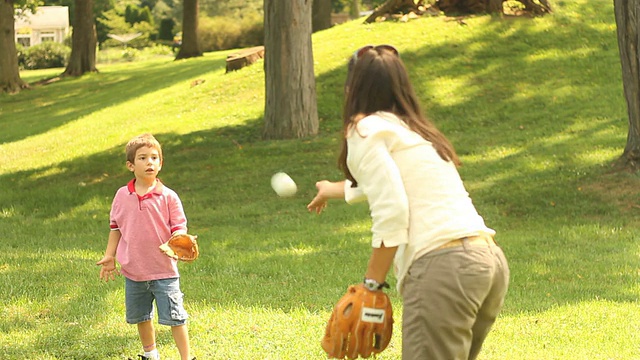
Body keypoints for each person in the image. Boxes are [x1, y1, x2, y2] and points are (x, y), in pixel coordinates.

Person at [307, 45, 510, 360]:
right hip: (487, 263)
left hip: (444, 269)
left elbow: (393, 208)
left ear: (351, 89)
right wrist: (333, 190)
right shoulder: (413, 131)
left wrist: (372, 285)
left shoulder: (364, 129)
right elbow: (390, 182)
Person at [96, 133, 195, 360]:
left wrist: (179, 239)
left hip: (164, 271)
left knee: (176, 317)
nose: (149, 162)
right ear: (130, 165)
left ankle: (186, 357)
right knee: (141, 316)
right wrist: (110, 256)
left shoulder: (169, 196)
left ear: (160, 164)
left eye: (154, 158)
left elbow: (179, 227)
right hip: (134, 271)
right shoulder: (122, 195)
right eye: (142, 158)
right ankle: (150, 354)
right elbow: (115, 228)